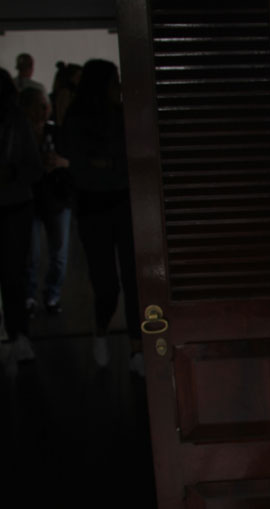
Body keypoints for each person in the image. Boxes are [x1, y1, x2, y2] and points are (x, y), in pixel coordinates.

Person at [62, 59, 143, 374]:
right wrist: (107, 165)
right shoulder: (78, 120)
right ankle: (101, 329)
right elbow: (81, 166)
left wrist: (104, 163)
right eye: (114, 82)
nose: (119, 88)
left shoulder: (121, 116)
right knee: (106, 282)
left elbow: (125, 161)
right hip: (94, 209)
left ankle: (137, 346)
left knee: (134, 279)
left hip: (121, 205)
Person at [0, 69, 44, 362]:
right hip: (15, 203)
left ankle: (18, 334)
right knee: (14, 273)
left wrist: (12, 173)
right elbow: (34, 166)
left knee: (13, 274)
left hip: (14, 204)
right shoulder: (16, 120)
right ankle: (19, 335)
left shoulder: (16, 121)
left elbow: (33, 166)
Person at [19, 86, 72, 315]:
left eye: (46, 105)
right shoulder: (19, 135)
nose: (44, 110)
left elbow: (73, 160)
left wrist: (60, 162)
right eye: (39, 106)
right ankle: (29, 296)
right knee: (31, 254)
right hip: (30, 200)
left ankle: (52, 296)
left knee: (58, 254)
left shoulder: (57, 133)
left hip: (56, 200)